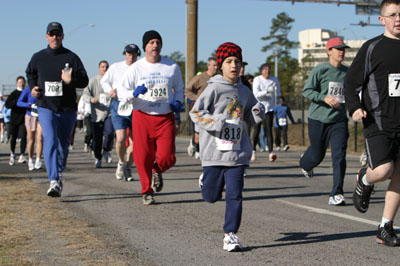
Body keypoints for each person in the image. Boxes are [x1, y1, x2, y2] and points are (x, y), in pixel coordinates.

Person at [190, 42, 265, 252]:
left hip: (237, 153)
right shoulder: (213, 88)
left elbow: (250, 114)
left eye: (237, 62)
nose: (234, 65)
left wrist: (258, 112)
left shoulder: (244, 91)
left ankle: (230, 234)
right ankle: (206, 181)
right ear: (220, 65)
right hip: (213, 153)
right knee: (211, 197)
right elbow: (195, 114)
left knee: (235, 194)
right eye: (229, 61)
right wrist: (216, 122)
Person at [344, 0, 400, 247]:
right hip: (377, 120)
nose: (398, 19)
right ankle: (364, 180)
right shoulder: (372, 47)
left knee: (399, 176)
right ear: (382, 19)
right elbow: (350, 83)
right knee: (383, 171)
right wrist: (355, 108)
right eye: (393, 14)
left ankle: (385, 228)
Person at [119, 30, 184, 205]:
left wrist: (178, 101)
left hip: (165, 117)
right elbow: (121, 91)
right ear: (145, 46)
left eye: (157, 42)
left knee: (168, 157)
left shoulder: (172, 66)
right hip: (142, 116)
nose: (155, 45)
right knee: (142, 156)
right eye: (151, 42)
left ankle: (157, 170)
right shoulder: (136, 68)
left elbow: (179, 89)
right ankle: (147, 191)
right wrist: (133, 93)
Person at [26, 22, 89, 197]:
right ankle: (53, 180)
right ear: (46, 36)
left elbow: (84, 81)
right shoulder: (38, 57)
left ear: (62, 36)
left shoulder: (71, 57)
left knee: (63, 145)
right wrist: (33, 87)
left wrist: (70, 81)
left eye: (58, 34)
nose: (55, 37)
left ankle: (58, 173)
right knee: (50, 140)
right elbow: (30, 73)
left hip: (67, 108)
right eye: (51, 34)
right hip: (46, 106)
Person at [300, 37, 349, 206]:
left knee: (339, 156)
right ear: (329, 51)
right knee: (316, 155)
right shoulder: (320, 70)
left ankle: (336, 193)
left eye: (343, 48)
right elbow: (307, 91)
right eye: (338, 48)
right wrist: (324, 98)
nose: (341, 51)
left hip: (339, 120)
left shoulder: (347, 71)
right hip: (318, 118)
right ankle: (305, 163)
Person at [101, 44, 140, 181]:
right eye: (129, 53)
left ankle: (128, 168)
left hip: (136, 105)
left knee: (136, 141)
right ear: (124, 54)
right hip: (119, 104)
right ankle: (121, 162)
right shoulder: (116, 67)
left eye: (134, 53)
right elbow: (104, 82)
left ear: (138, 54)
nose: (131, 56)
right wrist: (109, 91)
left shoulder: (141, 67)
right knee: (121, 138)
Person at [82, 60, 115, 168]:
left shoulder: (112, 81)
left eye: (106, 67)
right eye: (102, 67)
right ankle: (98, 157)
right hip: (96, 114)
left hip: (109, 112)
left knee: (110, 133)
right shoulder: (93, 81)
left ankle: (106, 150)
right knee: (97, 139)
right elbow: (85, 94)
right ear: (99, 68)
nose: (104, 69)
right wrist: (92, 99)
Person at [185, 57, 218, 158]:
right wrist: (197, 98)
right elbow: (187, 90)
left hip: (213, 111)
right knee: (198, 136)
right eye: (214, 65)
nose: (216, 67)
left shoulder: (218, 78)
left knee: (211, 135)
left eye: (217, 66)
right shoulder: (200, 78)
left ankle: (204, 153)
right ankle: (194, 143)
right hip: (200, 111)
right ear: (208, 66)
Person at [251, 63, 280, 162]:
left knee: (269, 130)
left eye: (269, 69)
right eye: (265, 69)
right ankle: (253, 151)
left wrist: (277, 95)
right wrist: (267, 91)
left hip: (269, 108)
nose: (267, 71)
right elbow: (256, 94)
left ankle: (271, 153)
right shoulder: (257, 79)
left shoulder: (274, 80)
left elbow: (278, 92)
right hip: (258, 108)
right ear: (261, 71)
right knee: (257, 130)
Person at [17, 86, 43, 171]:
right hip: (30, 115)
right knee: (31, 139)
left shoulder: (43, 87)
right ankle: (30, 159)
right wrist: (28, 104)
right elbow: (19, 102)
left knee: (40, 138)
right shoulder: (28, 89)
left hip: (41, 115)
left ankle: (38, 160)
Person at [5, 76, 28, 165]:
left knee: (23, 137)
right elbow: (7, 105)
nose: (22, 84)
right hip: (14, 119)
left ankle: (22, 155)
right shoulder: (13, 93)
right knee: (13, 137)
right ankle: (12, 153)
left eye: (23, 82)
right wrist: (16, 102)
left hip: (23, 119)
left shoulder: (26, 93)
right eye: (20, 82)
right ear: (17, 83)